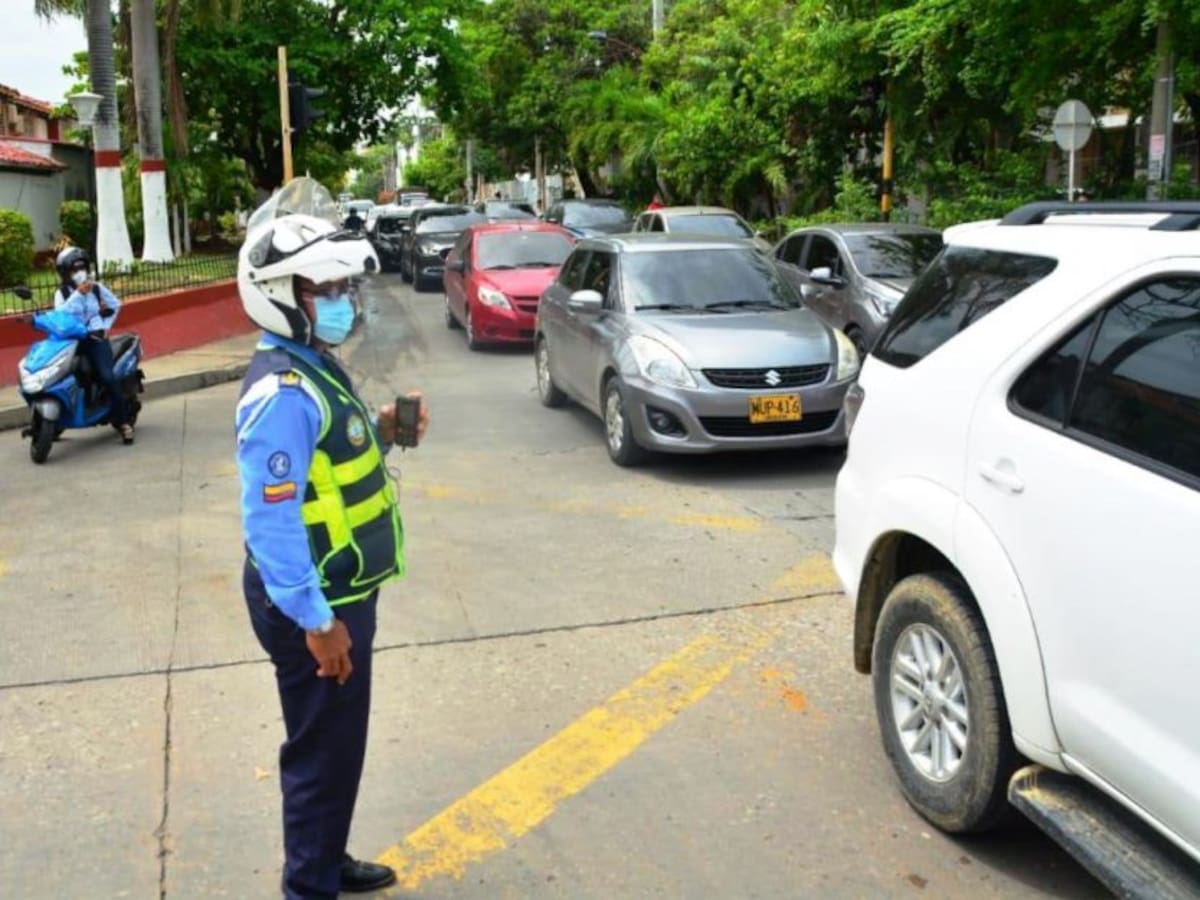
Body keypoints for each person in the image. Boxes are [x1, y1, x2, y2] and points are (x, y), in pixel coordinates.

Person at [235, 209, 429, 899]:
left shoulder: (313, 365)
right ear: (281, 295)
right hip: (315, 601)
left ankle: (325, 856)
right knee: (321, 753)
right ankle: (309, 886)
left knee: (336, 747)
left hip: (335, 591)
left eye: (346, 288)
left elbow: (325, 471)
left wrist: (377, 430)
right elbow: (271, 521)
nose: (345, 302)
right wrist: (317, 624)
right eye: (330, 291)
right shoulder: (280, 392)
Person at [57, 246, 134, 444]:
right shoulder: (62, 293)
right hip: (72, 342)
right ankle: (58, 421)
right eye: (74, 270)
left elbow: (116, 305)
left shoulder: (97, 288)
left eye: (82, 268)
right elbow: (61, 315)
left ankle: (123, 422)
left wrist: (106, 326)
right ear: (65, 273)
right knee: (60, 376)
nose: (79, 274)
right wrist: (78, 294)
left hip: (96, 340)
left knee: (108, 376)